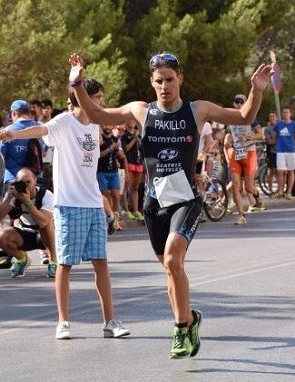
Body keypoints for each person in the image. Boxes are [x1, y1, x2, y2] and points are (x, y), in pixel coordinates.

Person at [67, 52, 272, 358]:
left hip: (186, 200)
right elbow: (97, 116)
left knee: (173, 260)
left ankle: (179, 328)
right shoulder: (140, 111)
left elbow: (243, 117)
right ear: (152, 82)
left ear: (180, 79)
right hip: (154, 204)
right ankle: (189, 319)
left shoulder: (197, 110)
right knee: (169, 269)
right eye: (159, 81)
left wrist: (256, 90)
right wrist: (77, 84)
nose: (165, 86)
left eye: (170, 80)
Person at [0, 78, 130, 340]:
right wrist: (13, 134)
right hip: (69, 205)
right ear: (83, 98)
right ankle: (63, 322)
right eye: (98, 97)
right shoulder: (65, 122)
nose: (102, 102)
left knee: (101, 263)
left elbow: (120, 118)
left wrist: (107, 210)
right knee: (65, 265)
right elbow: (40, 130)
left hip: (92, 204)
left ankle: (110, 322)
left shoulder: (95, 124)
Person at [0, 168, 57, 278]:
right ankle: (22, 259)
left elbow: (42, 222)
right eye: (22, 183)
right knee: (2, 236)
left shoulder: (46, 195)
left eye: (28, 182)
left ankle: (54, 261)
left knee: (46, 224)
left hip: (46, 236)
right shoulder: (14, 194)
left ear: (35, 181)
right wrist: (9, 198)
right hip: (26, 233)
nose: (25, 186)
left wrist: (27, 202)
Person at [224, 94, 265, 225]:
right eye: (237, 102)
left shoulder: (250, 117)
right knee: (236, 186)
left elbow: (260, 134)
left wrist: (247, 139)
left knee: (249, 188)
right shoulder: (230, 117)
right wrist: (226, 139)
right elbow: (229, 134)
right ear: (234, 104)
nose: (240, 104)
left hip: (249, 152)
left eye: (242, 102)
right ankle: (241, 215)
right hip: (236, 153)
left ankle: (257, 195)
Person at [273, 106, 295, 200]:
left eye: (287, 112)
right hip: (280, 150)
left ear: (290, 114)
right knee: (280, 171)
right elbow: (275, 136)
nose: (285, 114)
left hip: (290, 151)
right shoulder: (278, 125)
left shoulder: (294, 125)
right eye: (284, 112)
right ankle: (280, 191)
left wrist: (293, 146)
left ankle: (289, 192)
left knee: (291, 171)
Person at [264, 111, 278, 196]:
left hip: (280, 151)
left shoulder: (280, 127)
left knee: (280, 172)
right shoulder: (267, 129)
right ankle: (270, 189)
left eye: (273, 116)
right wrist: (277, 139)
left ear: (276, 117)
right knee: (272, 171)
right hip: (272, 152)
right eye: (270, 116)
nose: (272, 118)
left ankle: (280, 189)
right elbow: (269, 141)